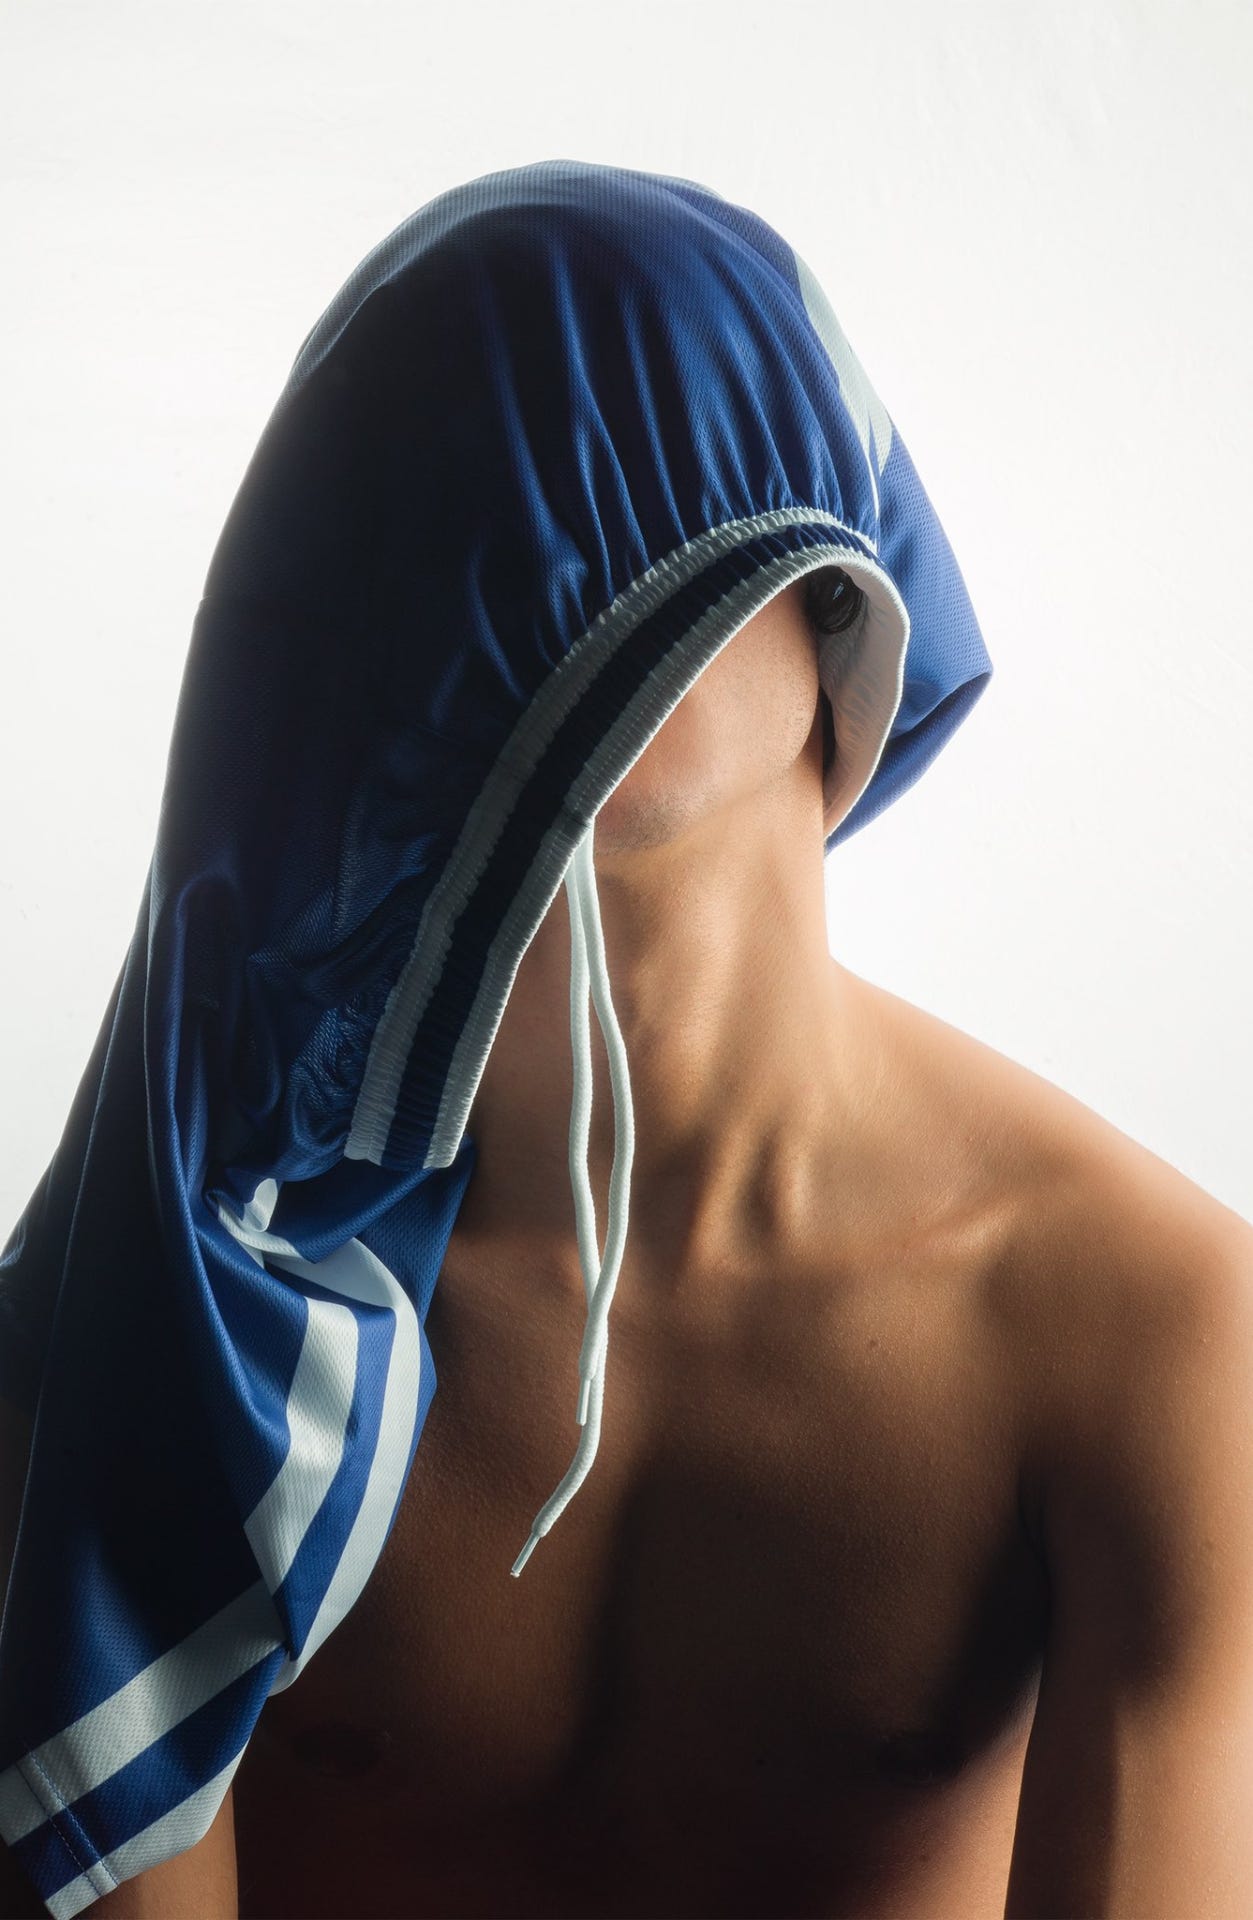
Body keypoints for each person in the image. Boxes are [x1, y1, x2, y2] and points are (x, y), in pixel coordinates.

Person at [3, 159, 1253, 1920]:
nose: (529, 560)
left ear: (841, 612)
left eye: (613, 475)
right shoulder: (200, 1304)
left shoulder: (1147, 1335)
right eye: (442, 511)